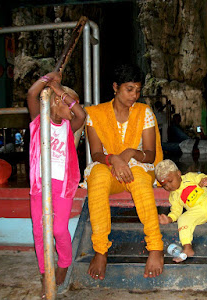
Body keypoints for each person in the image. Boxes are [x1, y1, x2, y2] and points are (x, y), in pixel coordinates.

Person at [83, 64, 164, 280]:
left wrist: (129, 153)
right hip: (108, 167)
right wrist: (114, 160)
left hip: (136, 167)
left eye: (137, 90)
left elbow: (149, 154)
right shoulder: (95, 114)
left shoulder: (143, 111)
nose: (134, 95)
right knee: (97, 177)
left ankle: (155, 247)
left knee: (139, 179)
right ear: (115, 87)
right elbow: (96, 153)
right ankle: (101, 250)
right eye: (129, 89)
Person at [27, 71, 86, 295]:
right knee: (40, 231)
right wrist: (46, 80)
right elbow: (32, 94)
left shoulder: (68, 127)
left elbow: (81, 115)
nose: (72, 109)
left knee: (59, 229)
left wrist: (60, 90)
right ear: (55, 103)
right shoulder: (38, 121)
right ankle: (45, 273)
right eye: (67, 104)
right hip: (40, 186)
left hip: (62, 187)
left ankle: (63, 263)